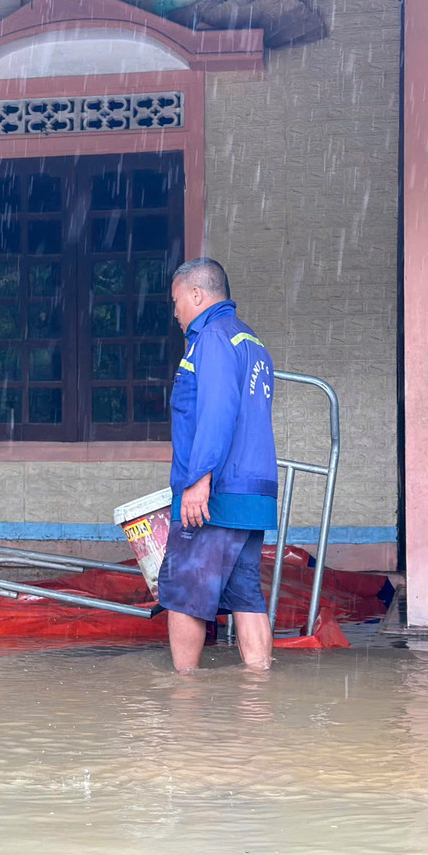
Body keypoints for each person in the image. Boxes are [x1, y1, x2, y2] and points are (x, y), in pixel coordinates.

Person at [159, 257, 277, 673]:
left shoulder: (210, 337)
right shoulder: (251, 341)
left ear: (196, 294)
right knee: (246, 595)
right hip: (254, 491)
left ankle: (184, 698)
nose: (175, 312)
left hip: (217, 492)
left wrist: (198, 480)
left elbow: (217, 410)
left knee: (186, 592)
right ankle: (258, 691)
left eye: (176, 301)